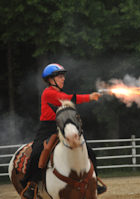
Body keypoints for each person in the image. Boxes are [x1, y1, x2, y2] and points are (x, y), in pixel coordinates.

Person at [21, 63, 106, 199]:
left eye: (63, 76)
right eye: (60, 76)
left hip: (62, 126)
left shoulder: (58, 92)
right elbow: (69, 99)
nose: (63, 79)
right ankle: (31, 184)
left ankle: (94, 181)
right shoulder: (48, 93)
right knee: (37, 152)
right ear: (50, 79)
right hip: (47, 128)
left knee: (89, 151)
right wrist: (89, 97)